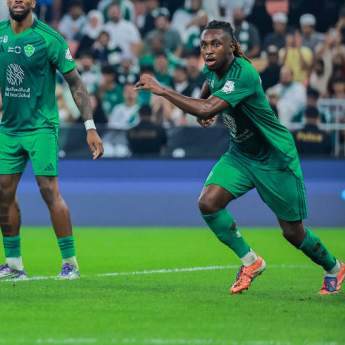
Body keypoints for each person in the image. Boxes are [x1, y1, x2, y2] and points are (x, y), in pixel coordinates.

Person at [134, 20, 344, 295]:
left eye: (216, 44)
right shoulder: (212, 69)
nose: (208, 50)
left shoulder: (244, 73)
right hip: (241, 154)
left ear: (231, 47)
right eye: (204, 45)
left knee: (293, 233)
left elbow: (207, 108)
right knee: (208, 203)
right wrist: (203, 108)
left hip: (274, 157)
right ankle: (251, 261)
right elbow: (208, 90)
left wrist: (165, 91)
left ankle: (334, 268)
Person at [0, 0, 104, 281]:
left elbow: (75, 82)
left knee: (49, 190)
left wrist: (90, 126)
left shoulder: (50, 39)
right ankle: (14, 265)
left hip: (41, 127)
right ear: (7, 0)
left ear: (34, 2)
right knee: (2, 190)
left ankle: (70, 264)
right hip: (10, 128)